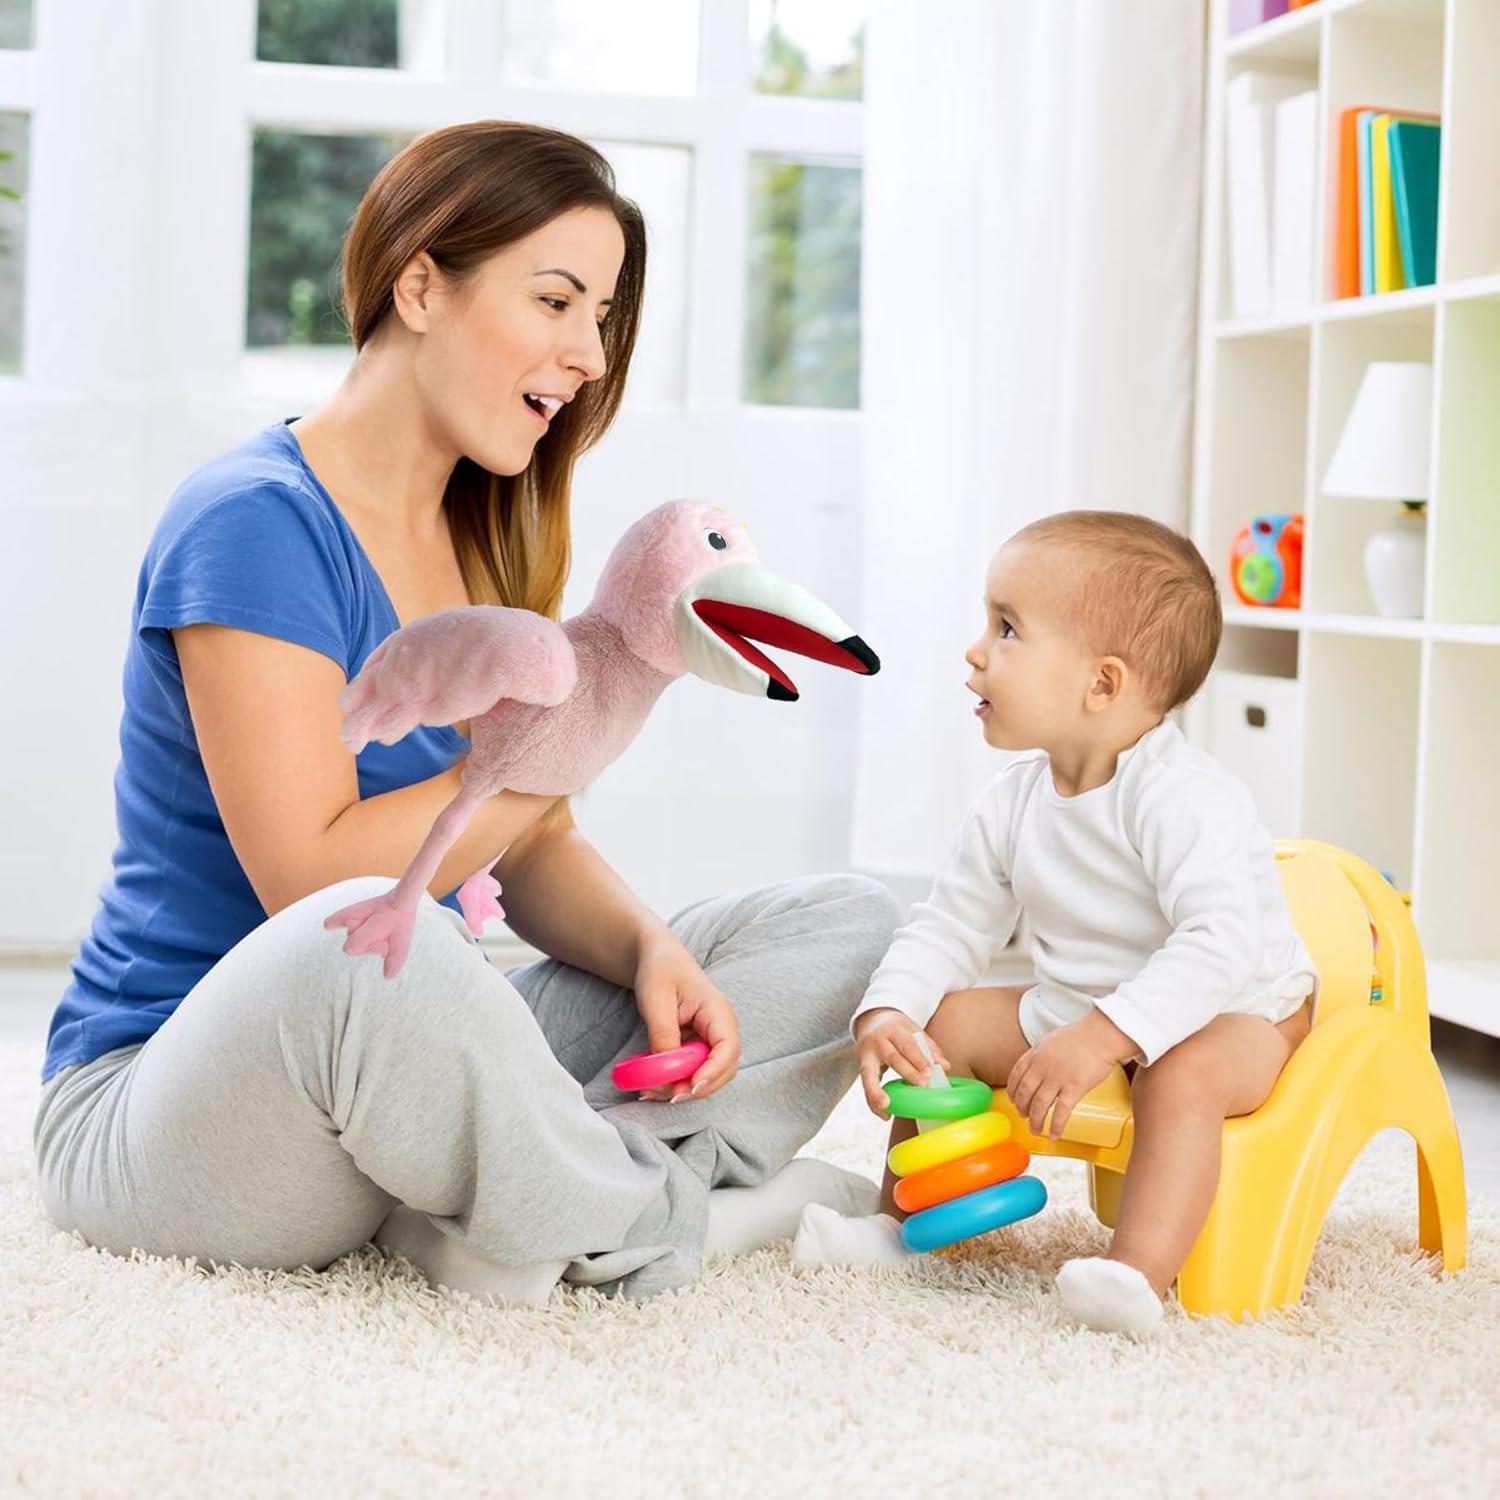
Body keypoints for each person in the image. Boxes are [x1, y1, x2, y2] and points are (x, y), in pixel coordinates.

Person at [33, 121, 897, 1304]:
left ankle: (518, 1209)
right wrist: (563, 726)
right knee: (382, 947)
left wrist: (650, 948)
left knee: (845, 923)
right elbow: (312, 885)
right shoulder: (255, 522)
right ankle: (665, 1218)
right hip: (175, 1106)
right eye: (556, 301)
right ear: (421, 283)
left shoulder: (485, 537)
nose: (589, 354)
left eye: (601, 317)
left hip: (395, 1067)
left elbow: (530, 836)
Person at [792, 511, 1317, 1334]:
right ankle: (900, 1223)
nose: (975, 650)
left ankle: (1134, 1274)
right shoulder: (1012, 802)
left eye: (1006, 629)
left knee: (1177, 1075)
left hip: (1238, 1007)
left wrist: (1107, 1036)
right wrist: (891, 1009)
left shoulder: (1184, 798)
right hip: (1086, 1001)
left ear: (1102, 685)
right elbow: (951, 924)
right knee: (951, 1022)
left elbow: (1222, 945)